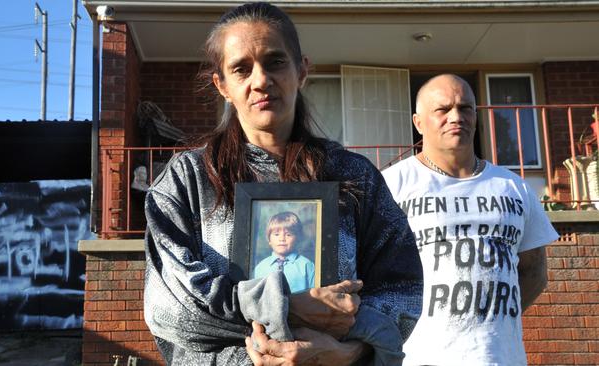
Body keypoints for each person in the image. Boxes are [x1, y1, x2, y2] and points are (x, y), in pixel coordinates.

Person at [143, 2, 423, 365]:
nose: (260, 80)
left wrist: (349, 353)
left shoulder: (355, 176)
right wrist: (287, 308)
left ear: (302, 70)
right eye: (241, 69)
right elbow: (169, 307)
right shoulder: (187, 181)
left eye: (275, 61)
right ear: (222, 85)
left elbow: (403, 289)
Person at [382, 74, 559, 366]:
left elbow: (534, 273)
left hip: (501, 358)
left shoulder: (513, 187)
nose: (456, 117)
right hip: (420, 358)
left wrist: (489, 319)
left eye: (465, 108)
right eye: (443, 109)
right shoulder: (391, 186)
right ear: (418, 122)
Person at [253, 211, 315, 294]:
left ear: (297, 239)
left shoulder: (307, 266)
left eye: (288, 234)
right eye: (276, 234)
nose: (282, 239)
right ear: (269, 240)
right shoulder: (260, 268)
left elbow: (315, 296)